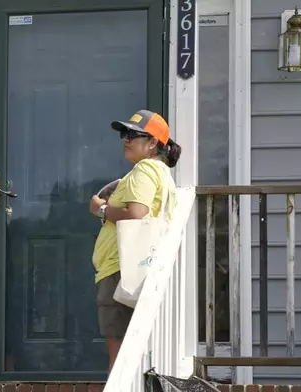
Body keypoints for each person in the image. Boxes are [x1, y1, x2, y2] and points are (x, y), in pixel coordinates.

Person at [88, 109, 181, 375]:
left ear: (153, 143)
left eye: (134, 135)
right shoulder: (157, 171)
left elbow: (136, 214)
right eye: (124, 134)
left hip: (120, 271)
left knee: (118, 361)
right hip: (133, 267)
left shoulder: (144, 169)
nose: (126, 139)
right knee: (134, 353)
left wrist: (101, 209)